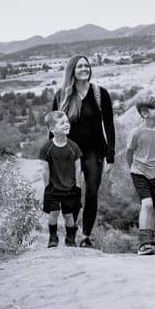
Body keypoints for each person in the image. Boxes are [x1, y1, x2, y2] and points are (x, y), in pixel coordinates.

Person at [52, 54, 116, 248]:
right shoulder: (62, 95)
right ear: (72, 70)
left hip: (95, 152)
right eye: (79, 66)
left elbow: (109, 125)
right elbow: (53, 127)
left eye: (86, 66)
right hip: (69, 153)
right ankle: (71, 234)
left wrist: (111, 154)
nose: (84, 69)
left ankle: (85, 237)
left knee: (91, 194)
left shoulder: (100, 93)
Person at [126, 94, 155, 256]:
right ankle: (143, 243)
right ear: (145, 113)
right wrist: (133, 168)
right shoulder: (136, 132)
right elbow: (129, 153)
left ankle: (151, 241)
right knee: (147, 204)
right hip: (139, 172)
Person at [38, 110, 83, 248]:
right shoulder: (47, 148)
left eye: (67, 122)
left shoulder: (73, 147)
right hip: (53, 188)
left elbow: (78, 168)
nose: (67, 124)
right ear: (52, 129)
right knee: (54, 213)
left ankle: (70, 239)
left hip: (70, 188)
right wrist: (47, 187)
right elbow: (45, 170)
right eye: (62, 123)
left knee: (69, 215)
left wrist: (78, 187)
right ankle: (53, 238)